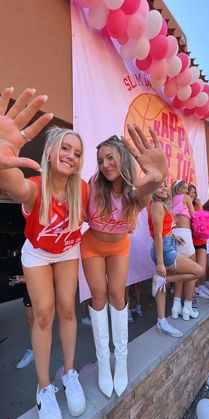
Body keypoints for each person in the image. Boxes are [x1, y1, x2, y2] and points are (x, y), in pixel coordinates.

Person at [0, 87, 87, 419]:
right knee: (44, 314)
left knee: (68, 310)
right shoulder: (35, 186)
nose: (70, 155)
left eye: (77, 152)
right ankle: (44, 387)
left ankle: (69, 374)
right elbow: (14, 184)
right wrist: (2, 157)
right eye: (65, 148)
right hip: (36, 253)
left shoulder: (83, 189)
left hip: (66, 251)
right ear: (50, 152)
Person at [80, 127, 168, 398]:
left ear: (122, 157)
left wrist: (158, 175)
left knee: (118, 295)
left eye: (110, 158)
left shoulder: (135, 192)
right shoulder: (93, 185)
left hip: (119, 246)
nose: (105, 165)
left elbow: (149, 184)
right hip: (92, 246)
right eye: (101, 160)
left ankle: (121, 360)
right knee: (98, 297)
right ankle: (104, 362)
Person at [148, 181, 204, 333]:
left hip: (168, 244)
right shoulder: (157, 206)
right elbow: (158, 236)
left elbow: (164, 230)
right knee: (199, 272)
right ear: (153, 190)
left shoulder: (162, 205)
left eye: (165, 185)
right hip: (164, 249)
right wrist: (160, 263)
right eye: (159, 186)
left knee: (161, 285)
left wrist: (174, 237)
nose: (164, 188)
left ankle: (161, 321)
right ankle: (164, 279)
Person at [171, 180, 201, 319]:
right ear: (180, 189)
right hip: (184, 234)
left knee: (180, 270)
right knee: (193, 271)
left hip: (173, 236)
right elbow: (195, 217)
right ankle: (187, 308)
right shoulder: (186, 198)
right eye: (184, 188)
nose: (186, 191)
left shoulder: (170, 200)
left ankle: (176, 307)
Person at [188, 184, 209, 302]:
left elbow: (203, 220)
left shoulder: (197, 205)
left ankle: (198, 287)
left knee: (201, 269)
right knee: (193, 270)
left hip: (201, 240)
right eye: (190, 192)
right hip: (191, 241)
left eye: (194, 192)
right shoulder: (184, 206)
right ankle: (192, 291)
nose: (193, 194)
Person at [8, 275, 34, 369]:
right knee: (31, 321)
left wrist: (24, 279)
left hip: (42, 288)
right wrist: (23, 277)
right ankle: (33, 350)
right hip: (30, 287)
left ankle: (37, 349)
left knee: (43, 321)